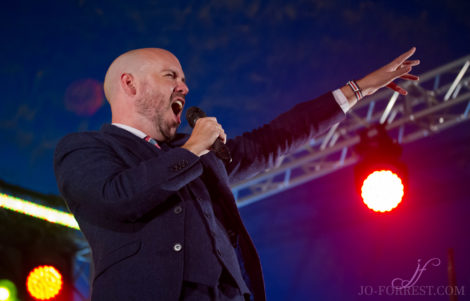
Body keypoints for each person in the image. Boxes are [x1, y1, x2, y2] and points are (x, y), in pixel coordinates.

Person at [54, 47, 419, 301]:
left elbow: (276, 138)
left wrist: (357, 89)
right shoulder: (84, 148)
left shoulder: (203, 155)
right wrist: (193, 148)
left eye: (183, 79)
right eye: (171, 76)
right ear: (129, 84)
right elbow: (116, 197)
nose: (184, 87)